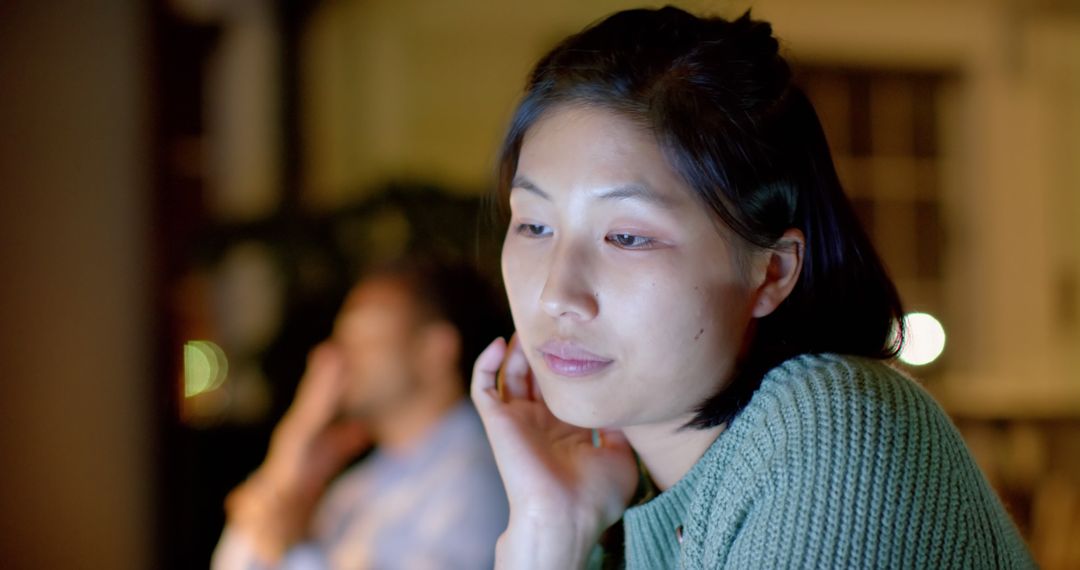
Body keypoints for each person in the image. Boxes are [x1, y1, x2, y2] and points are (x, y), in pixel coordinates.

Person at [470, 7, 1036, 569]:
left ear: (771, 272)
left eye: (627, 236)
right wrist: (549, 531)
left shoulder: (832, 433)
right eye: (535, 225)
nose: (555, 294)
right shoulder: (620, 487)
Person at [213, 258, 510, 569]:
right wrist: (288, 457)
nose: (334, 358)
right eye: (342, 340)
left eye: (366, 339)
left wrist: (290, 550)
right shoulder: (355, 489)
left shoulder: (478, 481)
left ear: (436, 349)